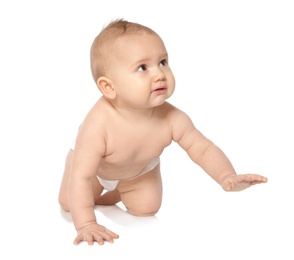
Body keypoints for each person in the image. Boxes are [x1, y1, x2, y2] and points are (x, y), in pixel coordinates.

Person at [58, 18, 268, 246]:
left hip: (139, 171)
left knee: (147, 208)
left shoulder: (172, 117)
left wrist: (226, 176)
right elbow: (82, 176)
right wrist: (87, 223)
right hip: (96, 170)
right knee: (69, 203)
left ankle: (120, 191)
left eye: (163, 62)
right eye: (142, 67)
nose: (159, 74)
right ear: (109, 87)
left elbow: (203, 149)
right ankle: (103, 193)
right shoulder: (98, 124)